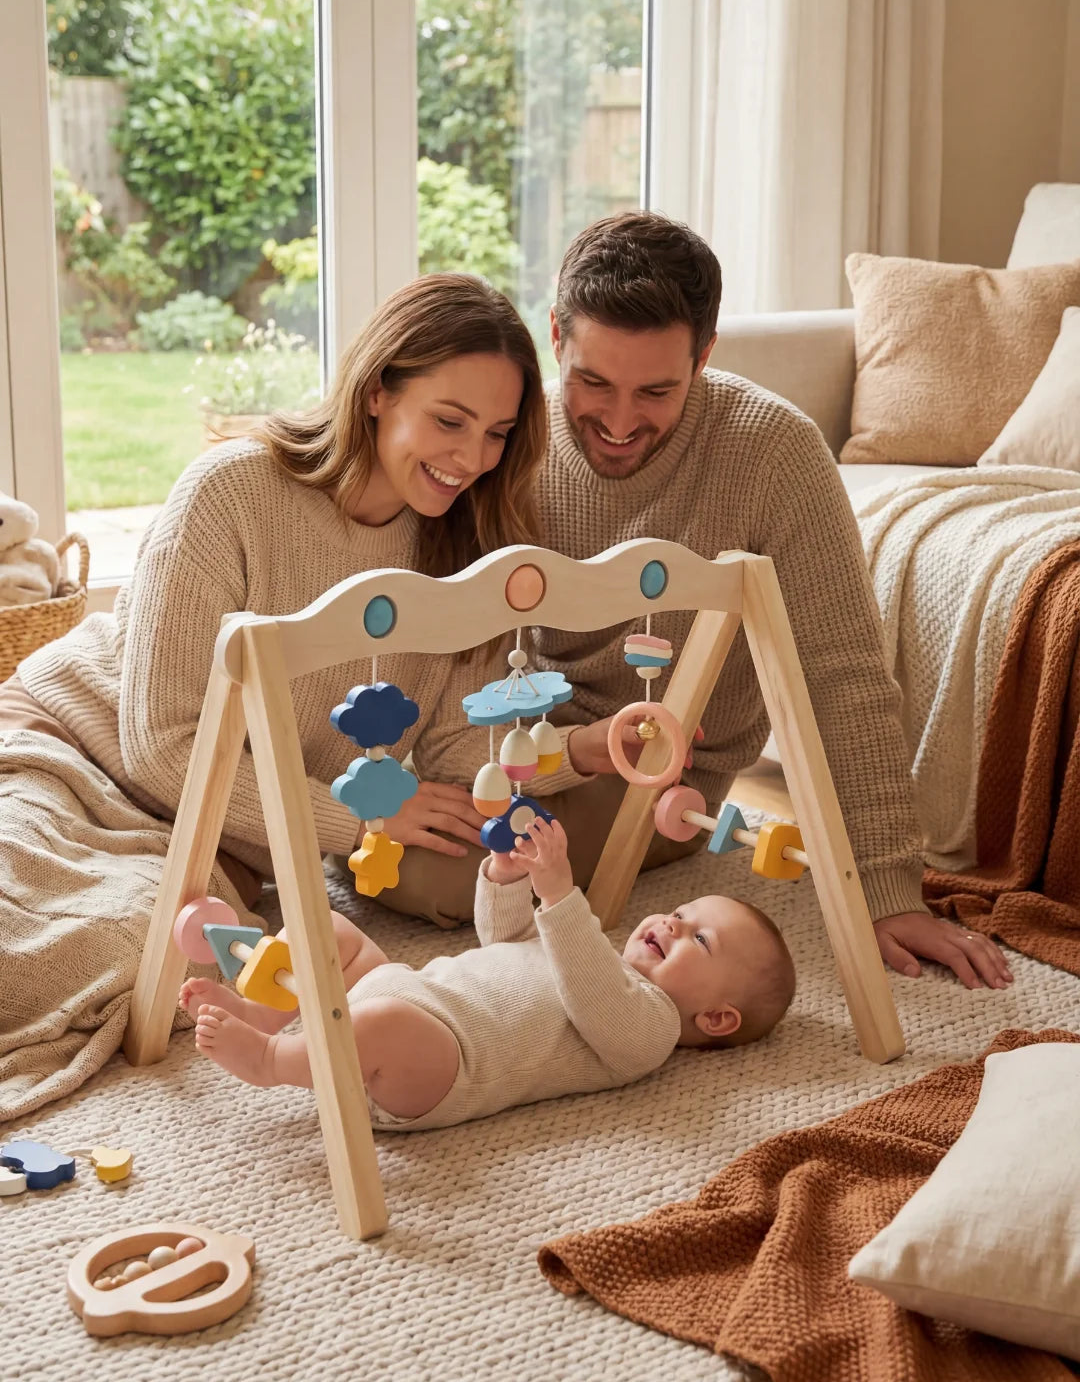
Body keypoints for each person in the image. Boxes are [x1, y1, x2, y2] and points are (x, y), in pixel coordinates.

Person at [391, 214, 1013, 993]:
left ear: (705, 355)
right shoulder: (508, 439)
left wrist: (888, 889)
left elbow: (842, 674)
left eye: (656, 391)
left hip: (657, 773)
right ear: (555, 337)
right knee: (377, 830)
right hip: (526, 743)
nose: (619, 422)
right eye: (594, 383)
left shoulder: (772, 451)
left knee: (430, 874)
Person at [0, 272, 547, 1119]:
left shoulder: (467, 543)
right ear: (378, 392)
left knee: (128, 958)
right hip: (73, 754)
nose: (473, 458)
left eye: (498, 434)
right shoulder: (232, 490)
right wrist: (357, 821)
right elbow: (159, 742)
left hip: (216, 838)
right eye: (450, 421)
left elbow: (450, 754)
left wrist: (578, 750)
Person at [184, 817, 796, 1126]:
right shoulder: (592, 954)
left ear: (716, 1018)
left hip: (438, 1068)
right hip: (409, 988)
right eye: (680, 913)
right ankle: (264, 1010)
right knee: (329, 930)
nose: (670, 923)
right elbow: (509, 941)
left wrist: (559, 894)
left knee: (386, 1023)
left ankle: (272, 1061)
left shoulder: (650, 1031)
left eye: (700, 939)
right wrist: (506, 880)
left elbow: (592, 995)